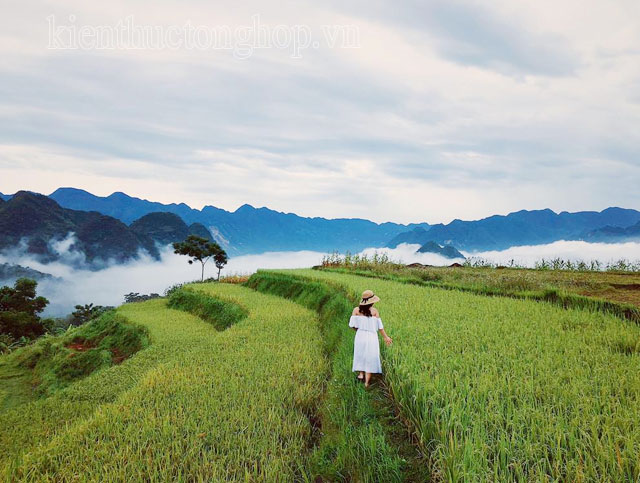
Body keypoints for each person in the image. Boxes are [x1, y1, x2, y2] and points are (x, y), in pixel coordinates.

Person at [349, 289, 393, 388]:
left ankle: (361, 375)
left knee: (360, 354)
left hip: (360, 335)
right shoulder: (374, 311)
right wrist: (386, 337)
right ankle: (367, 383)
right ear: (372, 301)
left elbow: (352, 325)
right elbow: (380, 327)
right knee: (370, 357)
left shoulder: (356, 310)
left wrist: (359, 330)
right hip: (372, 337)